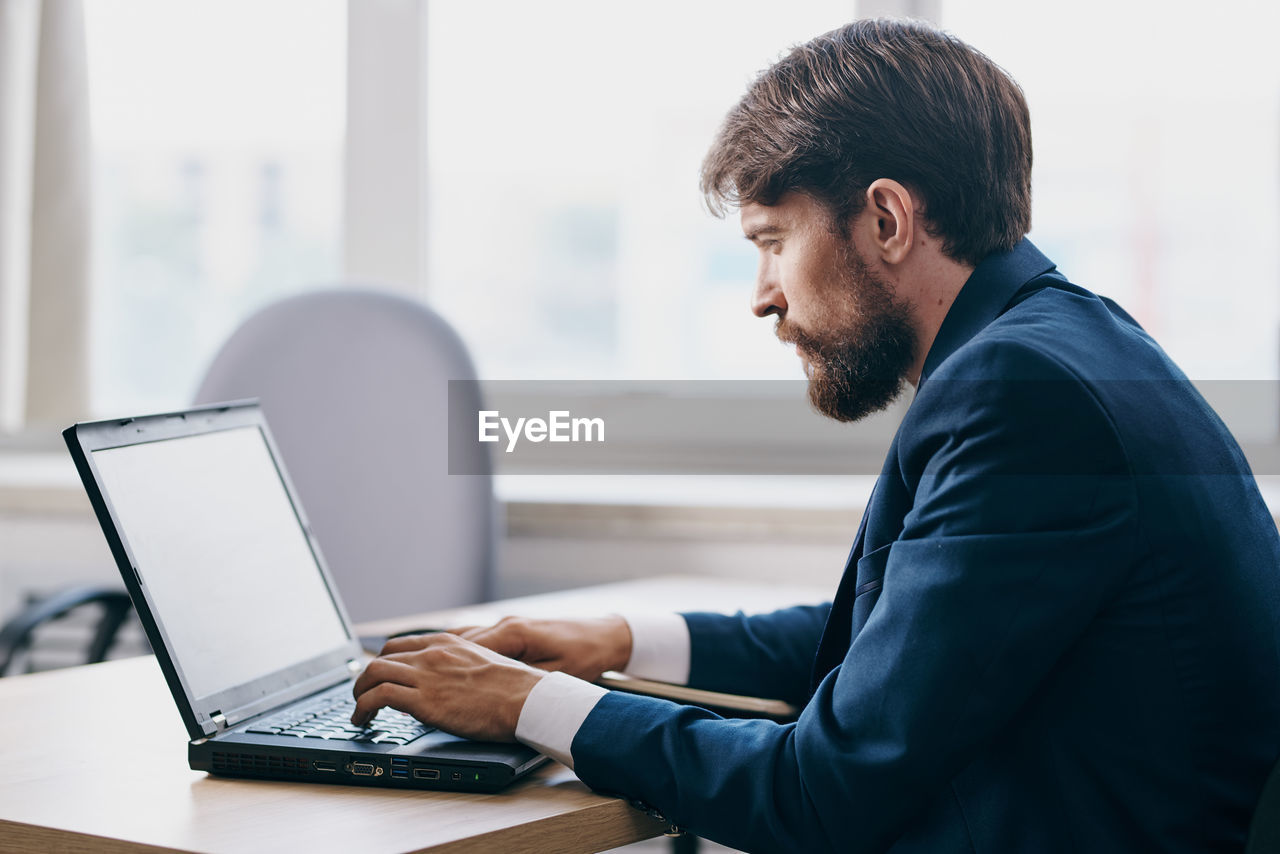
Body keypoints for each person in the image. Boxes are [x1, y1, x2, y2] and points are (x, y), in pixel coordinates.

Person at [351, 18, 1280, 853]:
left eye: (771, 241)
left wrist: (526, 703)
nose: (763, 295)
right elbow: (902, 649)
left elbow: (821, 793)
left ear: (885, 219)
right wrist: (622, 640)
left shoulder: (1020, 392)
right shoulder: (1067, 344)